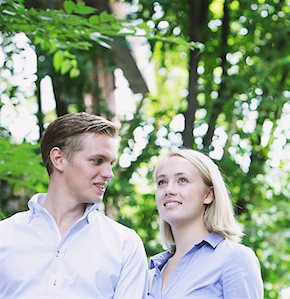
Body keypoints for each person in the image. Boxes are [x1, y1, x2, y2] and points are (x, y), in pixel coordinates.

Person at [0, 112, 148, 298]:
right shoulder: (4, 236)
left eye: (110, 163)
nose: (109, 174)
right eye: (97, 161)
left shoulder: (125, 245)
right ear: (59, 159)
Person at [147, 148, 264, 299]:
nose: (168, 190)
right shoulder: (153, 271)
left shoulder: (235, 258)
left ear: (208, 195)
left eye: (182, 180)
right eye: (162, 182)